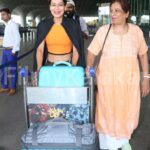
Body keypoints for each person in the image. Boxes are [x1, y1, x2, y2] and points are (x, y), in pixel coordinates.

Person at [86, 0, 150, 150]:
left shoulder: (136, 31)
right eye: (111, 10)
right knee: (107, 111)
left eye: (117, 11)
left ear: (127, 14)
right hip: (107, 82)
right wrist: (89, 66)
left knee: (128, 110)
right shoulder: (103, 30)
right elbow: (91, 53)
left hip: (130, 82)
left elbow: (143, 55)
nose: (113, 14)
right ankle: (109, 145)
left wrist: (146, 78)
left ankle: (122, 141)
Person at [35, 0, 85, 71]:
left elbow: (76, 50)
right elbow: (40, 49)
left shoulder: (73, 25)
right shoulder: (43, 25)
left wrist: (72, 67)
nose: (57, 8)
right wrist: (39, 68)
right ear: (50, 7)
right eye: (53, 5)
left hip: (68, 65)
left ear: (65, 7)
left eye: (60, 5)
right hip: (49, 66)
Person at [0, 8, 21, 95]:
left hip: (11, 51)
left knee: (12, 69)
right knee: (2, 68)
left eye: (4, 14)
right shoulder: (7, 25)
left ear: (9, 14)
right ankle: (5, 87)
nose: (2, 16)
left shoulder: (13, 24)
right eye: (1, 15)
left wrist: (14, 50)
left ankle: (13, 87)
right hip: (5, 50)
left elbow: (18, 38)